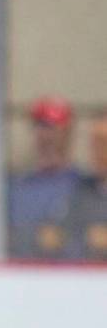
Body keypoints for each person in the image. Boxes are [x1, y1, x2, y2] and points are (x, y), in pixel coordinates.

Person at [9, 97, 83, 259]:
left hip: (74, 278)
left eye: (52, 128)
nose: (45, 136)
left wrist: (63, 239)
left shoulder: (83, 185)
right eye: (39, 127)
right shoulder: (17, 186)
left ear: (67, 133)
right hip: (24, 277)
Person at [62, 111, 107, 261]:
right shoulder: (78, 191)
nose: (99, 151)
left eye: (104, 143)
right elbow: (62, 239)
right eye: (94, 143)